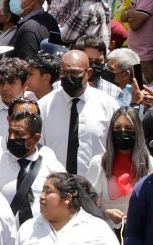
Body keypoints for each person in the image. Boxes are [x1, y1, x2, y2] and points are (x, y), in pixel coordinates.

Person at [39, 48, 120, 177]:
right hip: (57, 184)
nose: (69, 77)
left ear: (88, 73)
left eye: (75, 72)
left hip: (95, 183)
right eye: (64, 72)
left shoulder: (109, 106)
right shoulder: (44, 106)